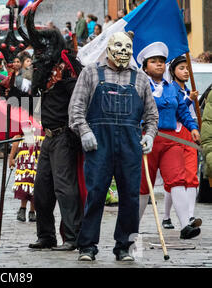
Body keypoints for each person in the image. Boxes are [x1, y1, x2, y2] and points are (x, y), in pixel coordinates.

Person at [68, 31, 159, 261]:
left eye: (128, 48)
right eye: (118, 46)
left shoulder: (140, 78)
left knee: (130, 195)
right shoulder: (90, 73)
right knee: (96, 193)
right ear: (108, 48)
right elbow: (75, 110)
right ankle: (87, 246)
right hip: (99, 144)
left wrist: (149, 135)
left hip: (130, 145)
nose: (123, 52)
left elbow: (151, 115)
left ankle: (124, 247)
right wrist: (85, 131)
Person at [27, 29, 85, 252]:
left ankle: (72, 236)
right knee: (41, 188)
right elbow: (29, 102)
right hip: (48, 136)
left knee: (64, 188)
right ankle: (46, 236)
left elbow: (79, 98)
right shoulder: (45, 72)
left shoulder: (66, 68)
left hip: (64, 136)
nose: (37, 55)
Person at [136, 43, 201, 240]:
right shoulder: (139, 86)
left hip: (170, 141)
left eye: (162, 62)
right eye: (153, 62)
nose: (158, 65)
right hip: (147, 139)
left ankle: (185, 225)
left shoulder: (171, 89)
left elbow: (182, 111)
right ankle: (132, 228)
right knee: (142, 186)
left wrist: (193, 128)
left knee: (178, 179)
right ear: (145, 66)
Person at [161, 55, 200, 229]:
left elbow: (191, 116)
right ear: (173, 71)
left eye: (187, 68)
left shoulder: (190, 90)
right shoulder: (169, 90)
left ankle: (190, 216)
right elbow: (176, 112)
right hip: (174, 137)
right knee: (175, 179)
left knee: (191, 176)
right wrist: (189, 99)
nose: (185, 71)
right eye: (181, 68)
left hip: (189, 137)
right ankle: (166, 216)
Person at [9, 133, 44, 222]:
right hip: (24, 162)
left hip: (38, 160)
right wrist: (11, 158)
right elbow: (16, 141)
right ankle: (23, 209)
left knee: (35, 185)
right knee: (24, 184)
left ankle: (32, 211)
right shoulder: (21, 131)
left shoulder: (42, 129)